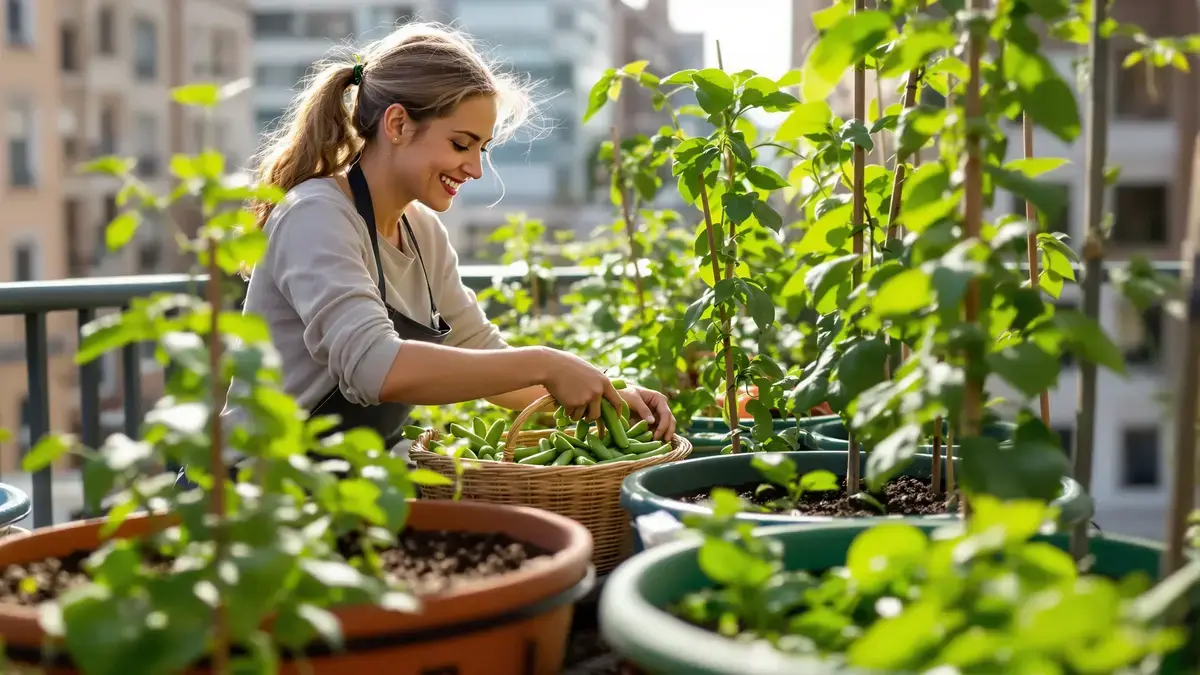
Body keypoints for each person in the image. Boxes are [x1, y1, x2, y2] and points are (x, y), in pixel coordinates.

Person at [221, 22, 676, 460]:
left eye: (483, 148)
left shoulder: (420, 229)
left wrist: (609, 390)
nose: (476, 169)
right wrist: (545, 362)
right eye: (461, 144)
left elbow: (478, 351)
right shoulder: (315, 214)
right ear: (397, 125)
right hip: (260, 504)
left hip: (351, 490)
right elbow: (372, 367)